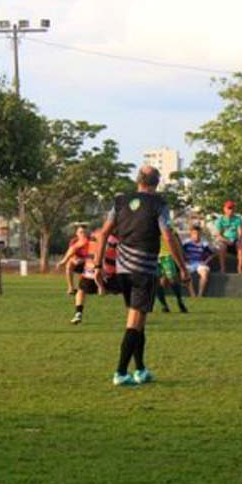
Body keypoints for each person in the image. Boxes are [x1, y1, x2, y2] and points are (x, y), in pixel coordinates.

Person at [95, 165, 188, 386]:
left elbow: (103, 233)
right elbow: (168, 235)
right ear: (156, 182)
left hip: (123, 269)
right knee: (134, 322)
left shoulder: (120, 201)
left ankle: (140, 370)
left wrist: (97, 265)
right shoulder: (158, 203)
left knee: (139, 320)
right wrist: (182, 267)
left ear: (138, 180)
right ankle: (120, 372)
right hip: (143, 269)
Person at [71, 228, 120, 325]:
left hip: (90, 270)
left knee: (81, 290)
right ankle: (135, 315)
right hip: (108, 271)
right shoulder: (116, 239)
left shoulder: (94, 234)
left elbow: (77, 247)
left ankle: (78, 313)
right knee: (127, 291)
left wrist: (72, 257)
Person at [156, 229, 189, 314]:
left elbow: (175, 238)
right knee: (155, 282)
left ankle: (180, 301)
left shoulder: (165, 224)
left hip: (167, 255)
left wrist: (181, 254)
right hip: (153, 256)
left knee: (172, 280)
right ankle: (164, 306)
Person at [182, 225, 215, 297]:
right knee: (185, 274)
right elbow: (180, 252)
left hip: (200, 263)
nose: (196, 235)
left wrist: (205, 262)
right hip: (189, 263)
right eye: (194, 233)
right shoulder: (186, 243)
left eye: (198, 234)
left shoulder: (204, 244)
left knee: (204, 274)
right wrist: (184, 261)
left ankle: (200, 295)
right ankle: (192, 294)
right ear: (191, 234)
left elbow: (212, 254)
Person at [58, 225, 91, 295]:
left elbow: (94, 255)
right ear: (77, 233)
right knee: (69, 264)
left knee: (85, 289)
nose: (83, 234)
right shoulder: (74, 241)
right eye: (81, 232)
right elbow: (71, 252)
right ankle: (71, 288)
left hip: (89, 264)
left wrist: (83, 260)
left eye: (85, 232)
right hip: (77, 263)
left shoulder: (91, 241)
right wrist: (74, 259)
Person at [215, 200, 242, 273]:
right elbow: (218, 235)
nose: (231, 210)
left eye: (232, 208)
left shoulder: (238, 219)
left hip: (235, 239)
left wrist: (239, 239)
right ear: (224, 209)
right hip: (225, 240)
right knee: (221, 247)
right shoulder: (220, 220)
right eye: (229, 208)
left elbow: (240, 233)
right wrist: (226, 241)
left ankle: (240, 267)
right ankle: (223, 268)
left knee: (240, 246)